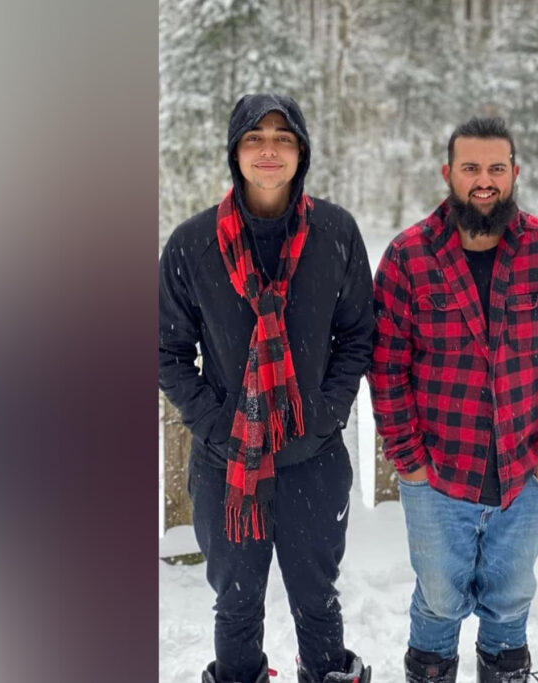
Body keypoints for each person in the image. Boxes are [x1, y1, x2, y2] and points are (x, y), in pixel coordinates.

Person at [369, 117, 538, 683]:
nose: (484, 181)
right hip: (438, 477)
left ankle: (505, 671)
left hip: (526, 473)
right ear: (448, 173)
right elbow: (387, 366)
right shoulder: (408, 257)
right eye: (470, 168)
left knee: (511, 600)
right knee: (440, 601)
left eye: (497, 168)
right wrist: (411, 463)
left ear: (515, 173)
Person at [159, 93, 374, 683]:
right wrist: (218, 422)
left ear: (301, 152)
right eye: (255, 138)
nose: (269, 150)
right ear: (236, 153)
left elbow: (358, 335)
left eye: (283, 137)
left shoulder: (337, 233)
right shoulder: (191, 245)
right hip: (228, 464)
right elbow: (168, 352)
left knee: (317, 599)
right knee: (234, 603)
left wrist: (324, 413)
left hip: (313, 457)